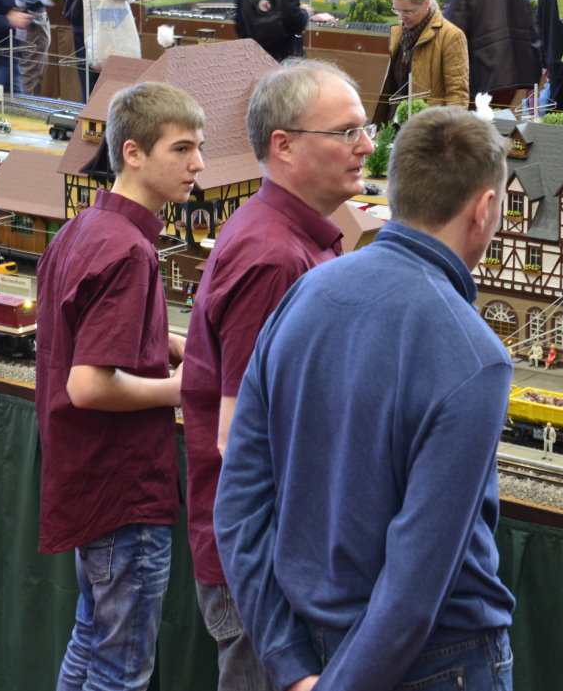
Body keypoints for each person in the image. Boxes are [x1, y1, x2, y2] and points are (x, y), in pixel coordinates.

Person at [216, 106, 517, 691]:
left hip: (309, 643)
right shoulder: (475, 354)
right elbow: (416, 578)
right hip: (436, 662)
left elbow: (238, 506)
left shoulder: (305, 292)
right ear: (483, 209)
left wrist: (289, 663)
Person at [182, 59, 370, 691]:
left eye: (364, 129)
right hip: (266, 574)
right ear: (283, 146)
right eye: (345, 132)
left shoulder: (295, 240)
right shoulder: (273, 258)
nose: (366, 146)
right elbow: (240, 439)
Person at [35, 81, 203, 691]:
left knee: (90, 642)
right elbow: (88, 384)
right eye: (181, 149)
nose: (198, 164)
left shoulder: (85, 228)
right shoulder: (131, 251)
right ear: (133, 153)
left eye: (199, 148)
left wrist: (168, 344)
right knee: (121, 670)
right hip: (124, 490)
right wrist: (178, 388)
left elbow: (86, 338)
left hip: (88, 481)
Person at [379, 0, 469, 115]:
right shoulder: (397, 31)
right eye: (397, 10)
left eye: (408, 11)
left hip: (430, 127)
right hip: (394, 123)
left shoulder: (451, 36)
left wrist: (450, 132)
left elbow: (457, 94)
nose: (401, 17)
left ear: (426, 3)